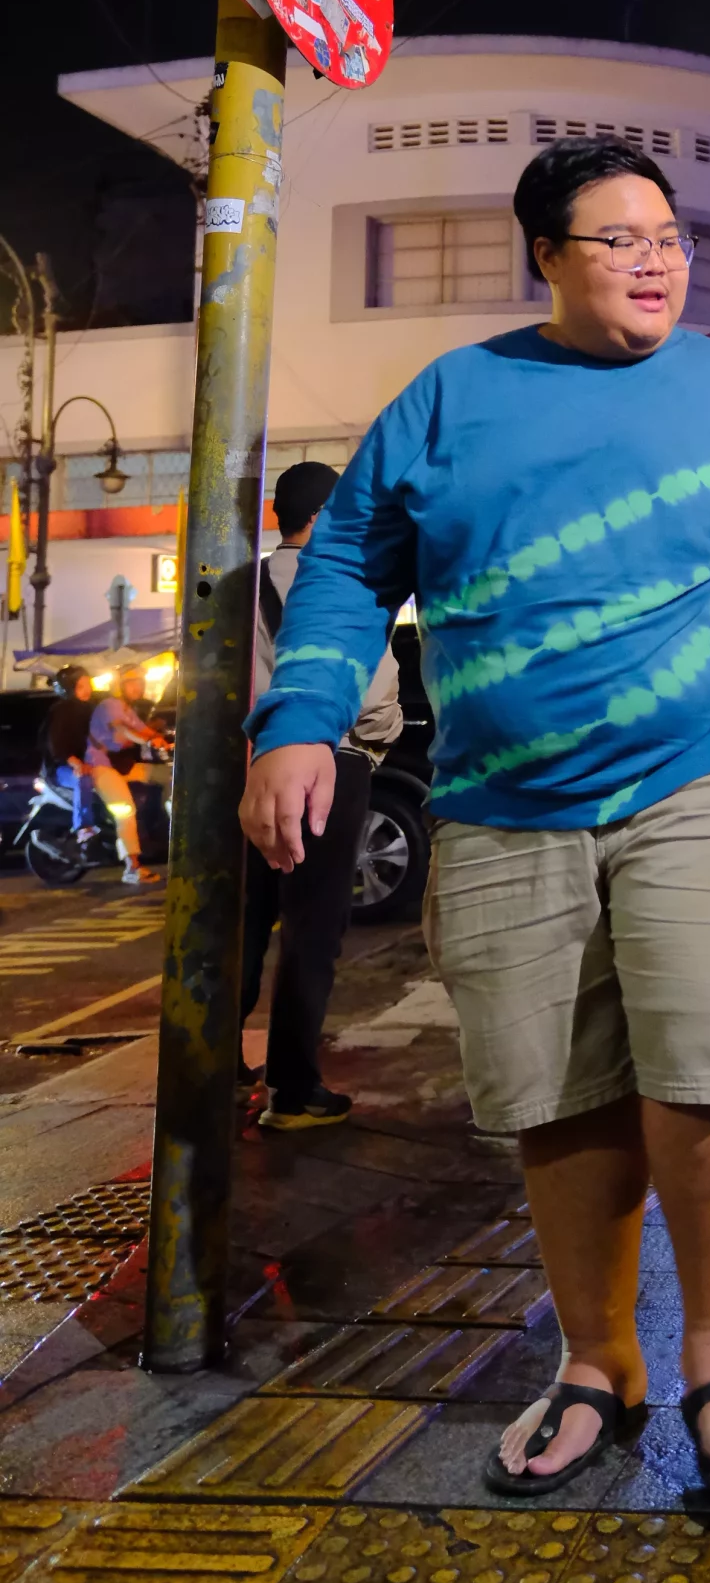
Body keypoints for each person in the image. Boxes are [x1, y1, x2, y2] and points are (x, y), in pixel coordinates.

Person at [239, 136, 710, 1502]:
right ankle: (597, 1358)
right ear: (546, 254)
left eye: (669, 238)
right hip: (501, 798)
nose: (656, 262)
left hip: (708, 772)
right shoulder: (451, 397)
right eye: (619, 239)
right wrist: (298, 720)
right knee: (557, 1085)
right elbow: (348, 563)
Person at [240, 460, 404, 1127]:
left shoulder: (242, 585)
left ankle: (216, 1070)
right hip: (330, 764)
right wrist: (381, 735)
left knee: (244, 919)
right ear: (323, 516)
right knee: (312, 926)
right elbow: (373, 693)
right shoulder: (341, 583)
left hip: (250, 765)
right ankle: (293, 1088)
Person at [86, 665, 164, 884]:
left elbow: (144, 730)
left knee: (167, 774)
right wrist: (148, 740)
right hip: (100, 766)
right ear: (119, 686)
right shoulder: (109, 705)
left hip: (122, 767)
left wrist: (164, 739)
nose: (138, 687)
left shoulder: (128, 709)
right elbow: (123, 730)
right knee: (125, 810)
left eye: (140, 682)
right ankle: (132, 867)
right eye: (132, 683)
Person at [44, 668, 96, 832]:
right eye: (81, 686)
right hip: (61, 769)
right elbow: (57, 746)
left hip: (89, 763)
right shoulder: (61, 711)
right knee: (82, 779)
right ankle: (84, 828)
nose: (87, 690)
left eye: (88, 684)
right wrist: (77, 764)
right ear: (69, 689)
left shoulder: (91, 709)